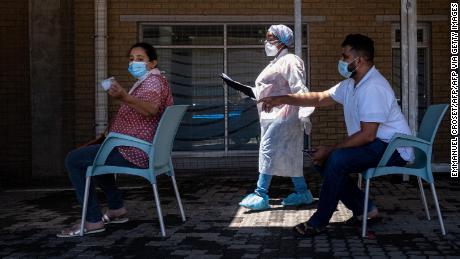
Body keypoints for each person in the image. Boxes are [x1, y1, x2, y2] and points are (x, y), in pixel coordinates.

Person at [259, 34, 414, 236]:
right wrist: (282, 99)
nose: (341, 61)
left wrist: (330, 150)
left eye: (345, 57)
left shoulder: (373, 87)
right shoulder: (351, 85)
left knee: (336, 159)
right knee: (325, 161)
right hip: (376, 143)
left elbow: (367, 135)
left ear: (358, 60)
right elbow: (320, 97)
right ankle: (366, 211)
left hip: (394, 147)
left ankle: (319, 221)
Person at [57, 42, 173, 237]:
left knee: (74, 159)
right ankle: (116, 208)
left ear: (152, 63)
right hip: (136, 148)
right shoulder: (152, 81)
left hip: (134, 151)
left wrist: (124, 97)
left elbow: (151, 109)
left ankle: (92, 220)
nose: (133, 63)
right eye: (131, 59)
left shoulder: (152, 82)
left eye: (140, 59)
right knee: (96, 158)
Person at [239, 24, 315, 211]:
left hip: (286, 115)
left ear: (282, 40)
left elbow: (299, 88)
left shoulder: (290, 60)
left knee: (268, 150)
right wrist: (247, 91)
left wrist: (305, 114)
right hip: (273, 115)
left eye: (270, 38)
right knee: (289, 154)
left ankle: (260, 193)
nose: (266, 42)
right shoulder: (275, 62)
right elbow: (268, 88)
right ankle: (302, 192)